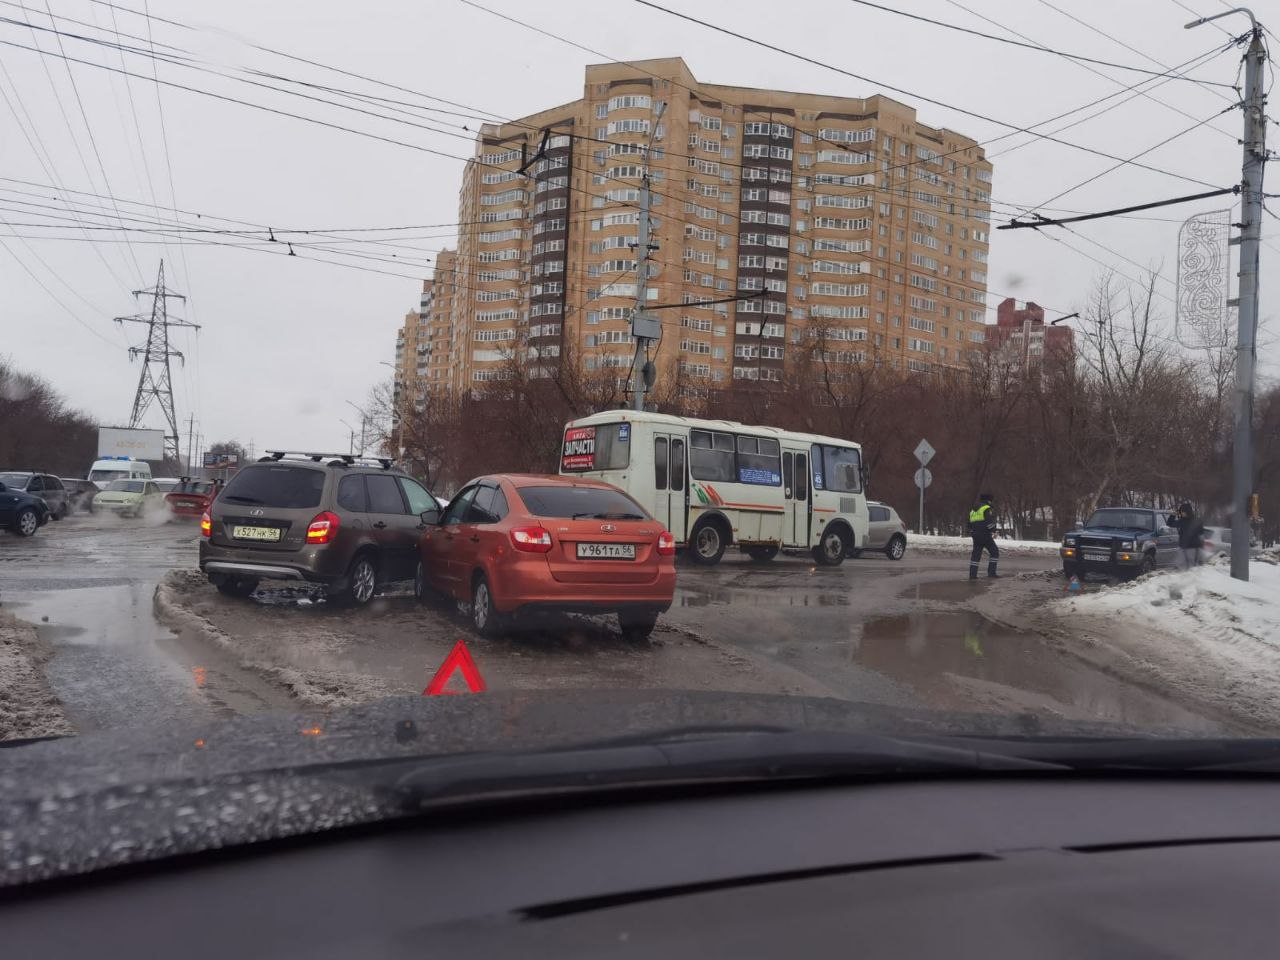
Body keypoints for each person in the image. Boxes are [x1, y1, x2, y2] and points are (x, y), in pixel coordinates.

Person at [968, 492, 999, 580]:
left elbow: (969, 523)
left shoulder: (973, 510)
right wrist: (994, 531)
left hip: (975, 535)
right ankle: (991, 573)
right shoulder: (986, 508)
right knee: (994, 552)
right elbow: (988, 521)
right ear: (988, 500)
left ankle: (972, 575)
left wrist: (973, 531)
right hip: (984, 535)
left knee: (976, 555)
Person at [1167, 501, 1205, 569]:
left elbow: (1201, 534)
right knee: (1180, 566)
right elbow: (1170, 524)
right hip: (1183, 547)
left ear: (1187, 512)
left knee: (1190, 567)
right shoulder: (1183, 521)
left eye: (1182, 511)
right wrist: (1173, 515)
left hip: (1192, 548)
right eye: (1181, 511)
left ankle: (1191, 578)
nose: (1181, 513)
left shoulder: (1195, 521)